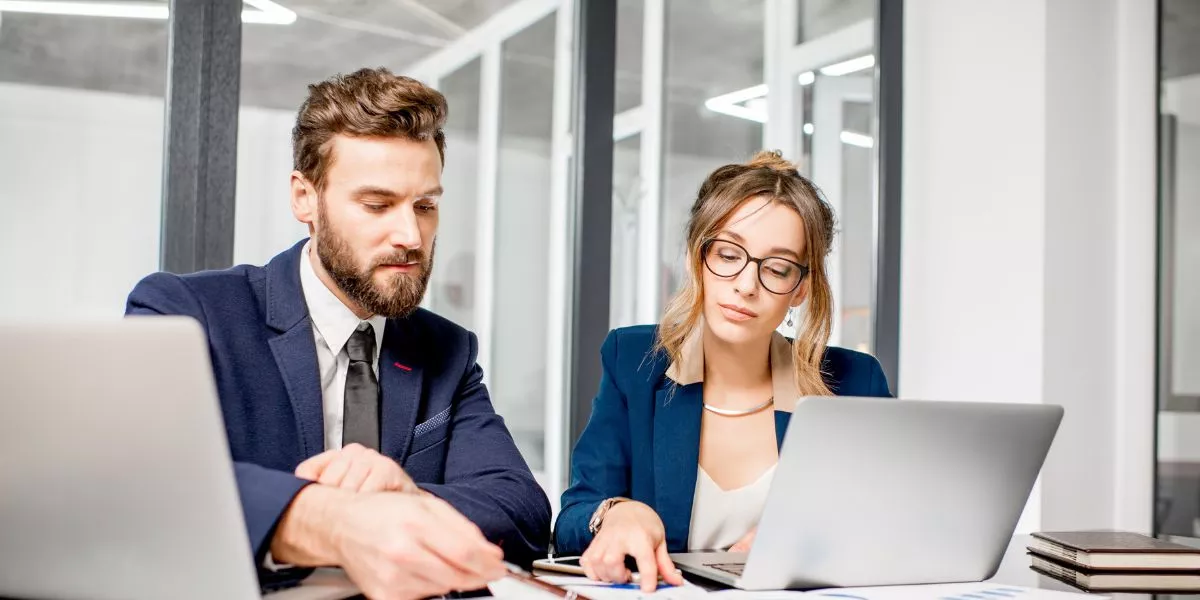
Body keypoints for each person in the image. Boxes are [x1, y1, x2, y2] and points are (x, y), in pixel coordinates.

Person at [125, 67, 550, 600]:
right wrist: (330, 521)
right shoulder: (188, 314)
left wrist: (410, 496)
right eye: (377, 205)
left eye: (426, 206)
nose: (411, 235)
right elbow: (142, 479)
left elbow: (523, 511)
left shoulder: (446, 348)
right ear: (305, 198)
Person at [553, 151, 892, 592]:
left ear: (800, 289)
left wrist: (811, 543)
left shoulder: (855, 381)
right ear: (700, 257)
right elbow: (572, 519)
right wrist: (614, 513)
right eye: (729, 255)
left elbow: (892, 521)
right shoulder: (633, 359)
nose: (747, 285)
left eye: (777, 268)